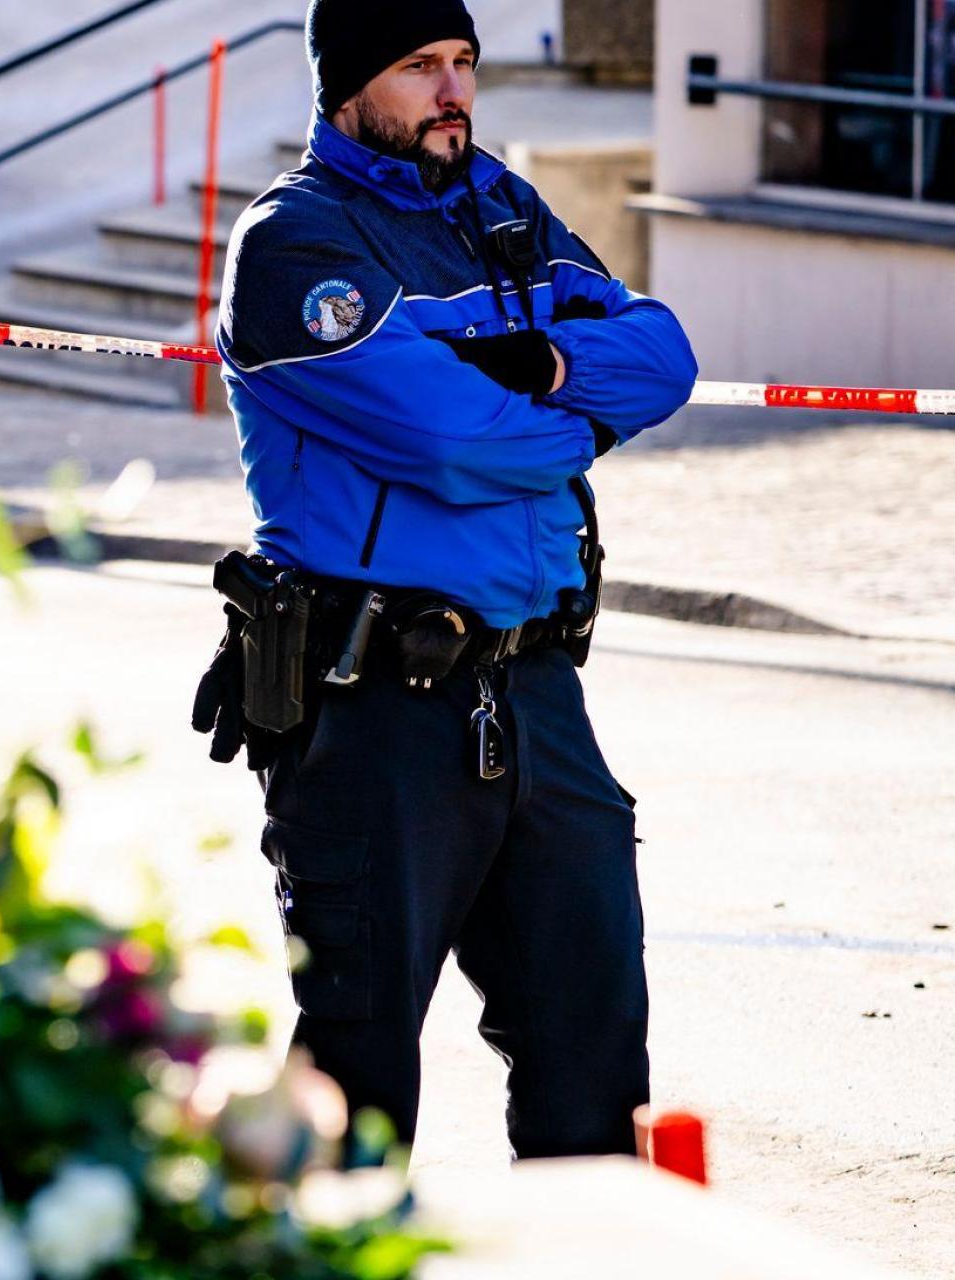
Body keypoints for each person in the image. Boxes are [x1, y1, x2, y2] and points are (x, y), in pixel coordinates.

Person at [191, 0, 699, 1159]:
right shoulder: (295, 245)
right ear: (346, 88)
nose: (452, 89)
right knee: (356, 1075)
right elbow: (448, 441)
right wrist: (575, 420)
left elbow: (665, 354)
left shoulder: (503, 210)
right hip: (374, 715)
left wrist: (551, 360)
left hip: (535, 693)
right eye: (418, 65)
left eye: (463, 61)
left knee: (597, 1053)